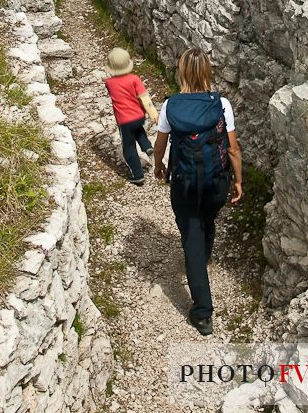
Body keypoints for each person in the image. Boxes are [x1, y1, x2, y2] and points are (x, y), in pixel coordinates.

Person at [154, 46, 242, 336]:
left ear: (181, 72)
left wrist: (159, 166)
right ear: (207, 72)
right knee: (208, 221)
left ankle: (202, 313)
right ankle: (201, 260)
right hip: (216, 182)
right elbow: (232, 149)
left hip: (184, 183)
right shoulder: (222, 105)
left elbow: (160, 143)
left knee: (191, 236)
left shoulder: (171, 106)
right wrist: (238, 180)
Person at [104, 47, 159, 186]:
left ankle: (137, 175)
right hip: (139, 116)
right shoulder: (135, 79)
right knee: (138, 129)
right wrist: (154, 114)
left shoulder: (109, 83)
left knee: (128, 147)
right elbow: (145, 98)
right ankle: (147, 146)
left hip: (124, 121)